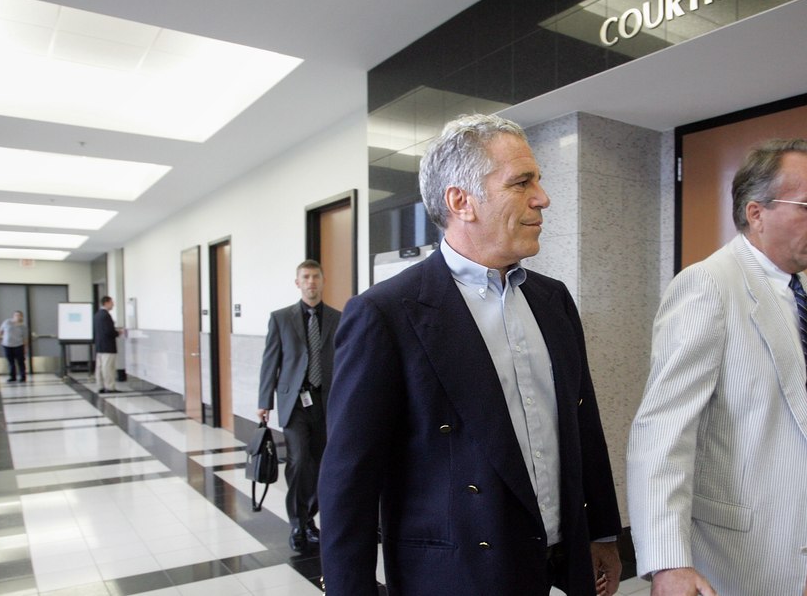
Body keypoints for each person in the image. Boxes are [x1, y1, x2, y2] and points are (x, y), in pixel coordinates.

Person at [319, 114, 622, 596]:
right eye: (522, 182)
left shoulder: (553, 300)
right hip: (455, 574)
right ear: (461, 201)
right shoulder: (386, 314)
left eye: (538, 181)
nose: (543, 198)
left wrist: (602, 532)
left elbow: (583, 425)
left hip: (559, 562)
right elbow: (348, 480)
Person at [627, 139, 807, 596]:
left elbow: (806, 417)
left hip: (783, 540)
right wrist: (668, 562)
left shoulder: (799, 290)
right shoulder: (709, 286)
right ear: (756, 213)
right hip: (728, 555)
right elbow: (662, 432)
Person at [257, 260, 341, 552]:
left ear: (323, 280)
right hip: (294, 402)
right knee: (299, 460)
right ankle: (297, 522)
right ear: (298, 283)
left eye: (315, 276)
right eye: (305, 277)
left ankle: (309, 520)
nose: (311, 282)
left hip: (326, 401)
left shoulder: (338, 318)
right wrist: (264, 402)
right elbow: (270, 361)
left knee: (320, 463)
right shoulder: (281, 318)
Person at [94, 297, 122, 394]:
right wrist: (118, 333)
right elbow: (109, 331)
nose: (113, 304)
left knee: (99, 367)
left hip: (100, 346)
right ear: (106, 303)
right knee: (108, 368)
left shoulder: (97, 315)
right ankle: (110, 387)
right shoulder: (106, 315)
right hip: (108, 346)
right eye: (111, 302)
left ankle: (100, 386)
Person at [0, 311, 28, 383]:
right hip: (7, 345)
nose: (17, 317)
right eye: (16, 315)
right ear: (13, 316)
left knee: (20, 362)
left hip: (18, 345)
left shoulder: (23, 326)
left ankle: (23, 376)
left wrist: (25, 347)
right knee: (11, 362)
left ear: (21, 317)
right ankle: (12, 376)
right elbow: (0, 331)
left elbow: (25, 338)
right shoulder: (7, 322)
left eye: (19, 315)